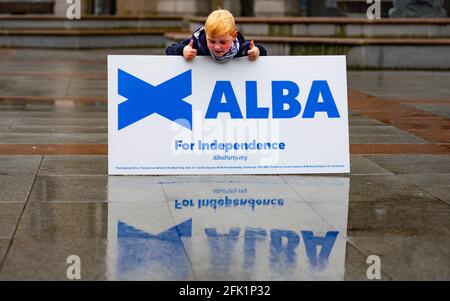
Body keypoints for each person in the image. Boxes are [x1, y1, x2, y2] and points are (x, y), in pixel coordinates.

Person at [165, 9, 267, 63]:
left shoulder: (240, 46)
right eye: (212, 41)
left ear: (234, 36)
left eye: (223, 42)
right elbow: (169, 50)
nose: (217, 47)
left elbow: (262, 51)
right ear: (205, 34)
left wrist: (256, 51)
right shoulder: (196, 43)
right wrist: (183, 50)